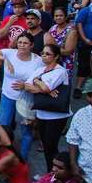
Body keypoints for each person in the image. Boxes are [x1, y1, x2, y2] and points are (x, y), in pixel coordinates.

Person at [19, 43, 71, 171]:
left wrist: (37, 81)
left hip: (57, 115)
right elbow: (25, 86)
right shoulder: (40, 70)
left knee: (50, 146)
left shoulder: (60, 71)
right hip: (42, 113)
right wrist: (42, 88)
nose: (44, 56)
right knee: (46, 146)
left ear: (56, 56)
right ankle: (50, 174)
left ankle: (54, 172)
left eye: (48, 54)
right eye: (42, 53)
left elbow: (46, 87)